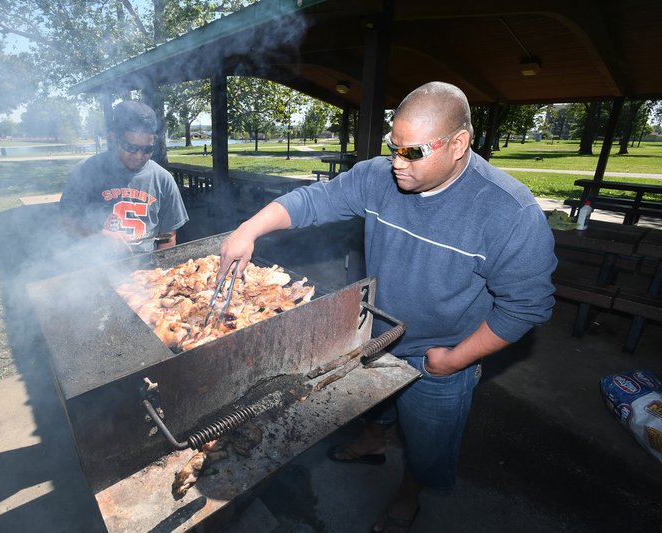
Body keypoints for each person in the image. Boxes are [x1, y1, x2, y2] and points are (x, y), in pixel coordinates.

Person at [218, 81, 557, 532]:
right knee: (374, 406)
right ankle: (373, 442)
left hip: (440, 352)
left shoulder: (509, 213)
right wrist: (249, 229)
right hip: (376, 330)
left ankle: (408, 494)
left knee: (428, 442)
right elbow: (313, 201)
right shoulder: (378, 176)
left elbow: (527, 306)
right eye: (392, 146)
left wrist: (455, 360)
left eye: (412, 152)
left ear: (459, 145)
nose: (396, 163)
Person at [59, 100, 188, 255]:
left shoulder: (163, 179)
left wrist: (160, 271)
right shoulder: (86, 171)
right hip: (96, 268)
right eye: (131, 147)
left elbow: (168, 237)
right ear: (114, 138)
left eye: (148, 149)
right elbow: (66, 222)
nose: (139, 156)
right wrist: (100, 234)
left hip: (146, 272)